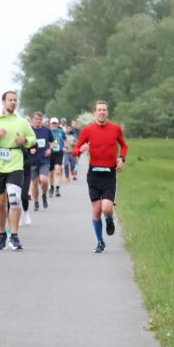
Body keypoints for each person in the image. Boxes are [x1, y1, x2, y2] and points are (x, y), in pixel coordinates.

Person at [0, 91, 36, 251]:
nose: (13, 102)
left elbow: (33, 139)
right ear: (3, 102)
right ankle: (2, 234)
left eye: (15, 100)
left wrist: (25, 141)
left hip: (15, 163)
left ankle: (14, 236)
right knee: (0, 203)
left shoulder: (22, 122)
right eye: (10, 100)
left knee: (15, 198)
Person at [73, 100, 129, 253]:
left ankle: (109, 220)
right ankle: (100, 242)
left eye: (104, 110)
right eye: (99, 110)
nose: (102, 112)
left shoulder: (115, 129)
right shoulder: (88, 130)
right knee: (97, 210)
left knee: (106, 208)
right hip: (94, 175)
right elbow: (75, 150)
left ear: (107, 112)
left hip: (109, 174)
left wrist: (121, 159)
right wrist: (81, 150)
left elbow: (124, 146)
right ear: (94, 113)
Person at [28, 111, 53, 212]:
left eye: (40, 119)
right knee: (34, 184)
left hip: (44, 160)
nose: (38, 121)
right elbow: (23, 144)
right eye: (36, 119)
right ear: (32, 120)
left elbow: (53, 141)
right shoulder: (28, 131)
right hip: (32, 161)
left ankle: (44, 195)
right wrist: (29, 150)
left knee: (44, 180)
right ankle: (36, 202)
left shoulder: (46, 130)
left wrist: (50, 149)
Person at [48, 117, 66, 197]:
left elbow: (65, 139)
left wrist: (65, 147)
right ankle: (51, 187)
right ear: (50, 124)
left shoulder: (61, 131)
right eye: (52, 123)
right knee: (51, 173)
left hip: (59, 153)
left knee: (58, 170)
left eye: (55, 123)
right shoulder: (47, 132)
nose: (54, 125)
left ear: (57, 124)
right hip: (50, 153)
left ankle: (57, 188)